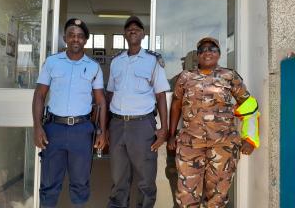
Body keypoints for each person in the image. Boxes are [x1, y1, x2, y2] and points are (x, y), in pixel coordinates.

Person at [167, 37, 260, 208]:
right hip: (190, 145)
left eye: (212, 49)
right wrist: (171, 135)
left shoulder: (230, 76)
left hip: (223, 145)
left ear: (219, 54)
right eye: (202, 50)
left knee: (218, 196)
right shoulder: (185, 77)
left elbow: (250, 106)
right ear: (197, 56)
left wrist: (250, 138)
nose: (207, 52)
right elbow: (176, 105)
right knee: (186, 196)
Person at [32, 18, 107, 208]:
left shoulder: (93, 67)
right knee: (49, 184)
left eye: (80, 36)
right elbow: (40, 95)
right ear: (65, 38)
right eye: (72, 35)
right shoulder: (51, 62)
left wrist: (102, 131)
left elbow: (100, 101)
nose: (76, 39)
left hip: (82, 131)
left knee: (80, 183)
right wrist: (37, 127)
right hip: (53, 130)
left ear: (86, 40)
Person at [106, 16, 170, 208]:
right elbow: (110, 94)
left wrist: (163, 129)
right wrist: (106, 126)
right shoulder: (116, 62)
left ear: (143, 34)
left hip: (142, 125)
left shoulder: (152, 61)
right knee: (119, 179)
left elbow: (160, 96)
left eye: (137, 28)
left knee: (145, 180)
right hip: (117, 124)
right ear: (124, 34)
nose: (132, 30)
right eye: (128, 28)